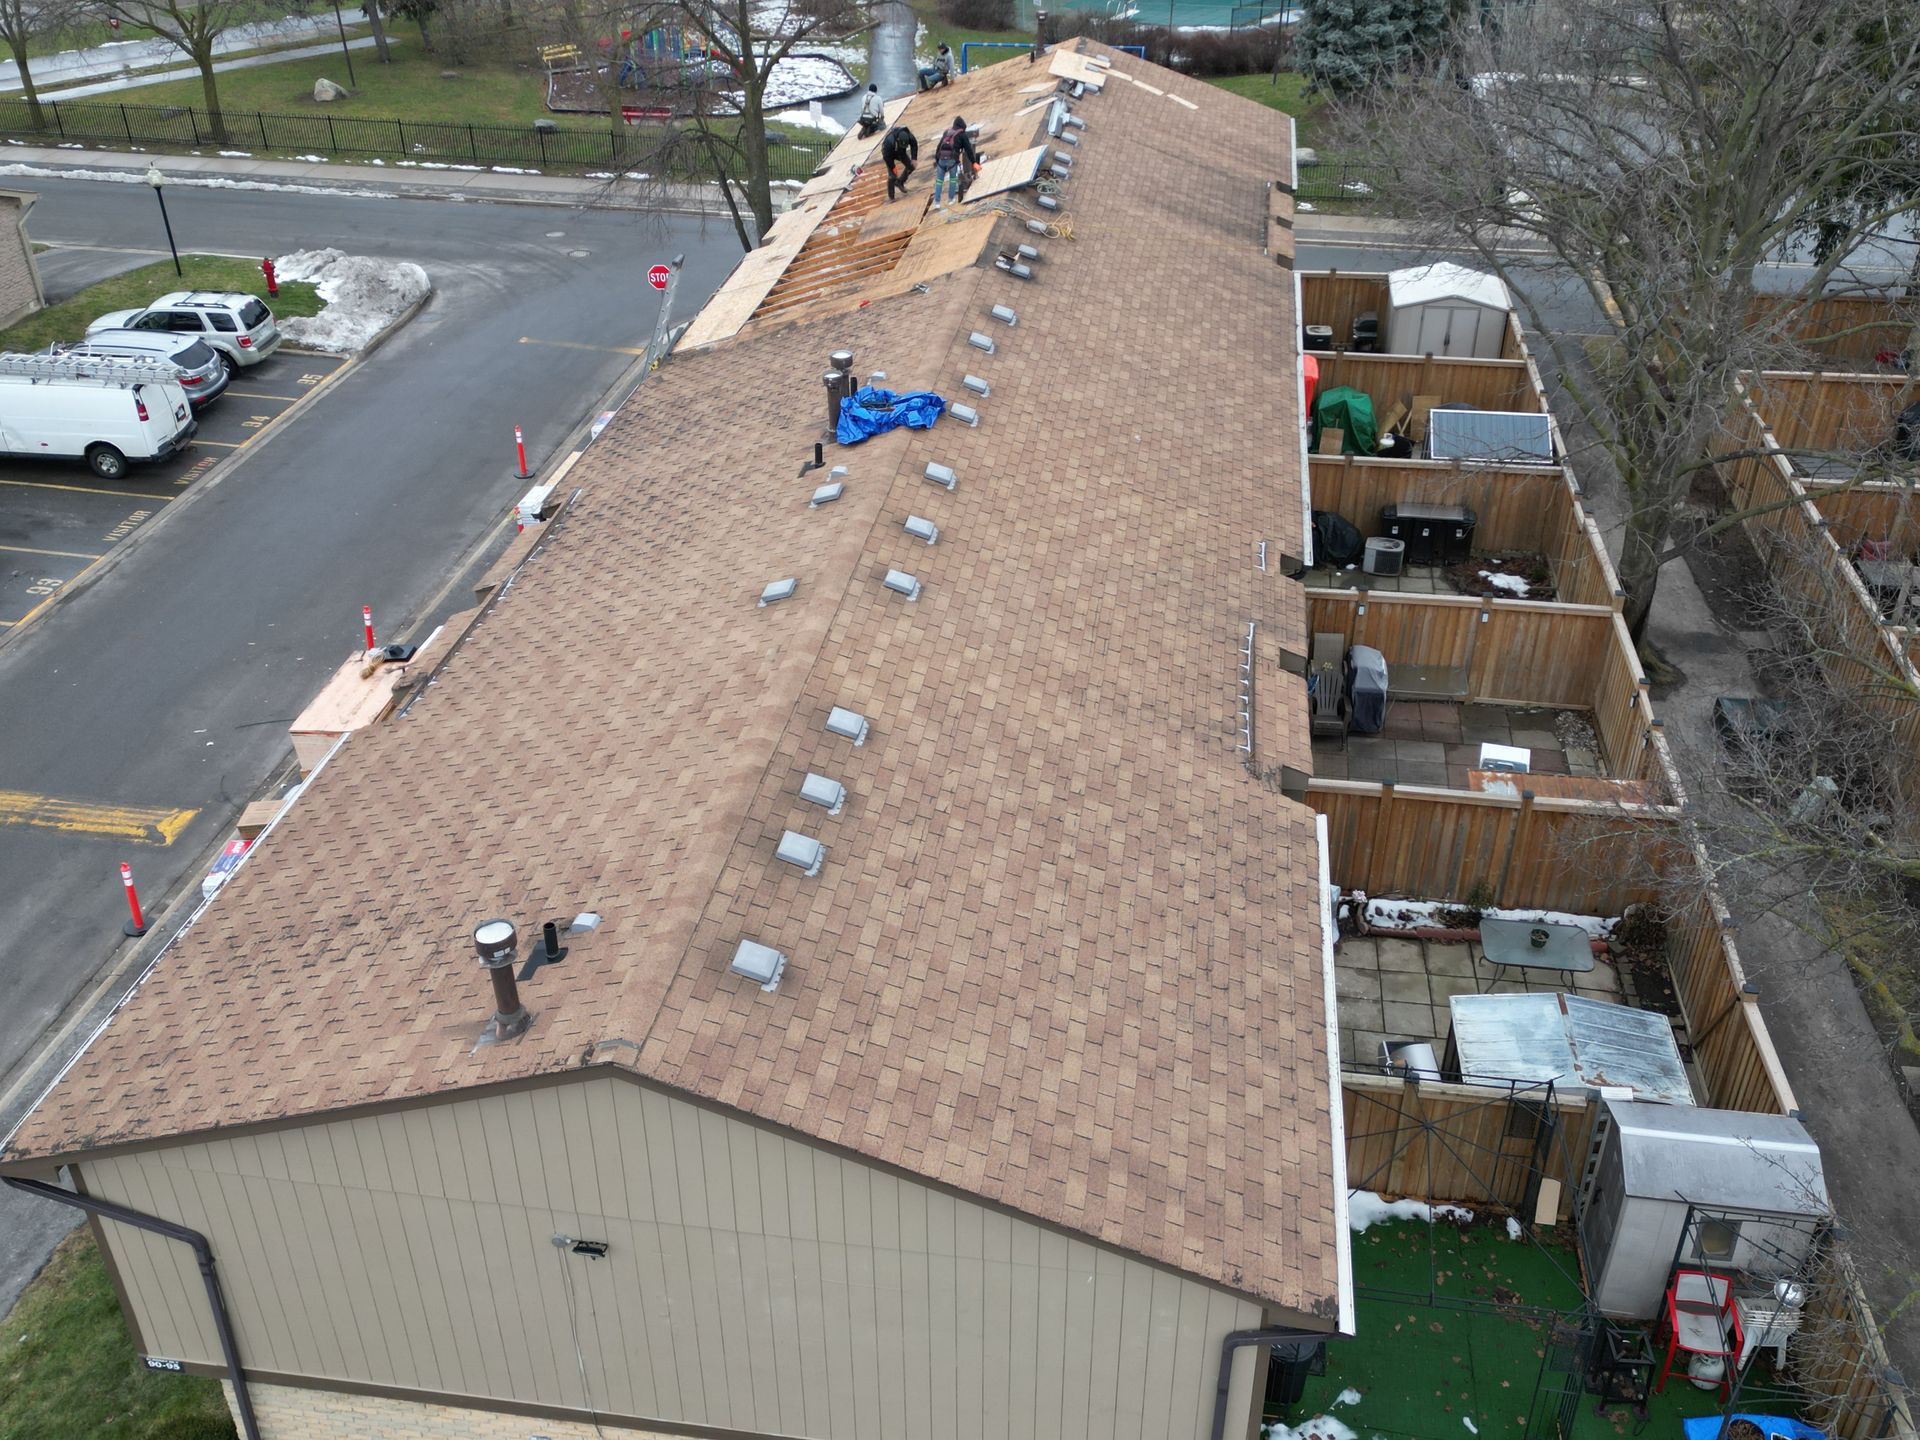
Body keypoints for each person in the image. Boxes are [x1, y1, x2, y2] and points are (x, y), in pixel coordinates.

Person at [931, 115, 977, 209]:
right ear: (962, 126)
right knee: (953, 179)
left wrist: (937, 160)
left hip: (941, 160)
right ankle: (950, 199)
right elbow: (968, 150)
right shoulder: (962, 135)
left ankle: (937, 203)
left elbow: (939, 147)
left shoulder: (946, 132)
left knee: (939, 181)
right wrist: (974, 162)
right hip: (952, 160)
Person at [882, 122, 918, 201]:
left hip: (901, 153)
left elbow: (914, 145)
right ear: (898, 140)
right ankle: (891, 197)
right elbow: (886, 157)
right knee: (892, 176)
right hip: (890, 154)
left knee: (911, 166)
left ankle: (900, 182)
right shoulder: (889, 141)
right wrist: (893, 167)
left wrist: (914, 158)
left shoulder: (909, 136)